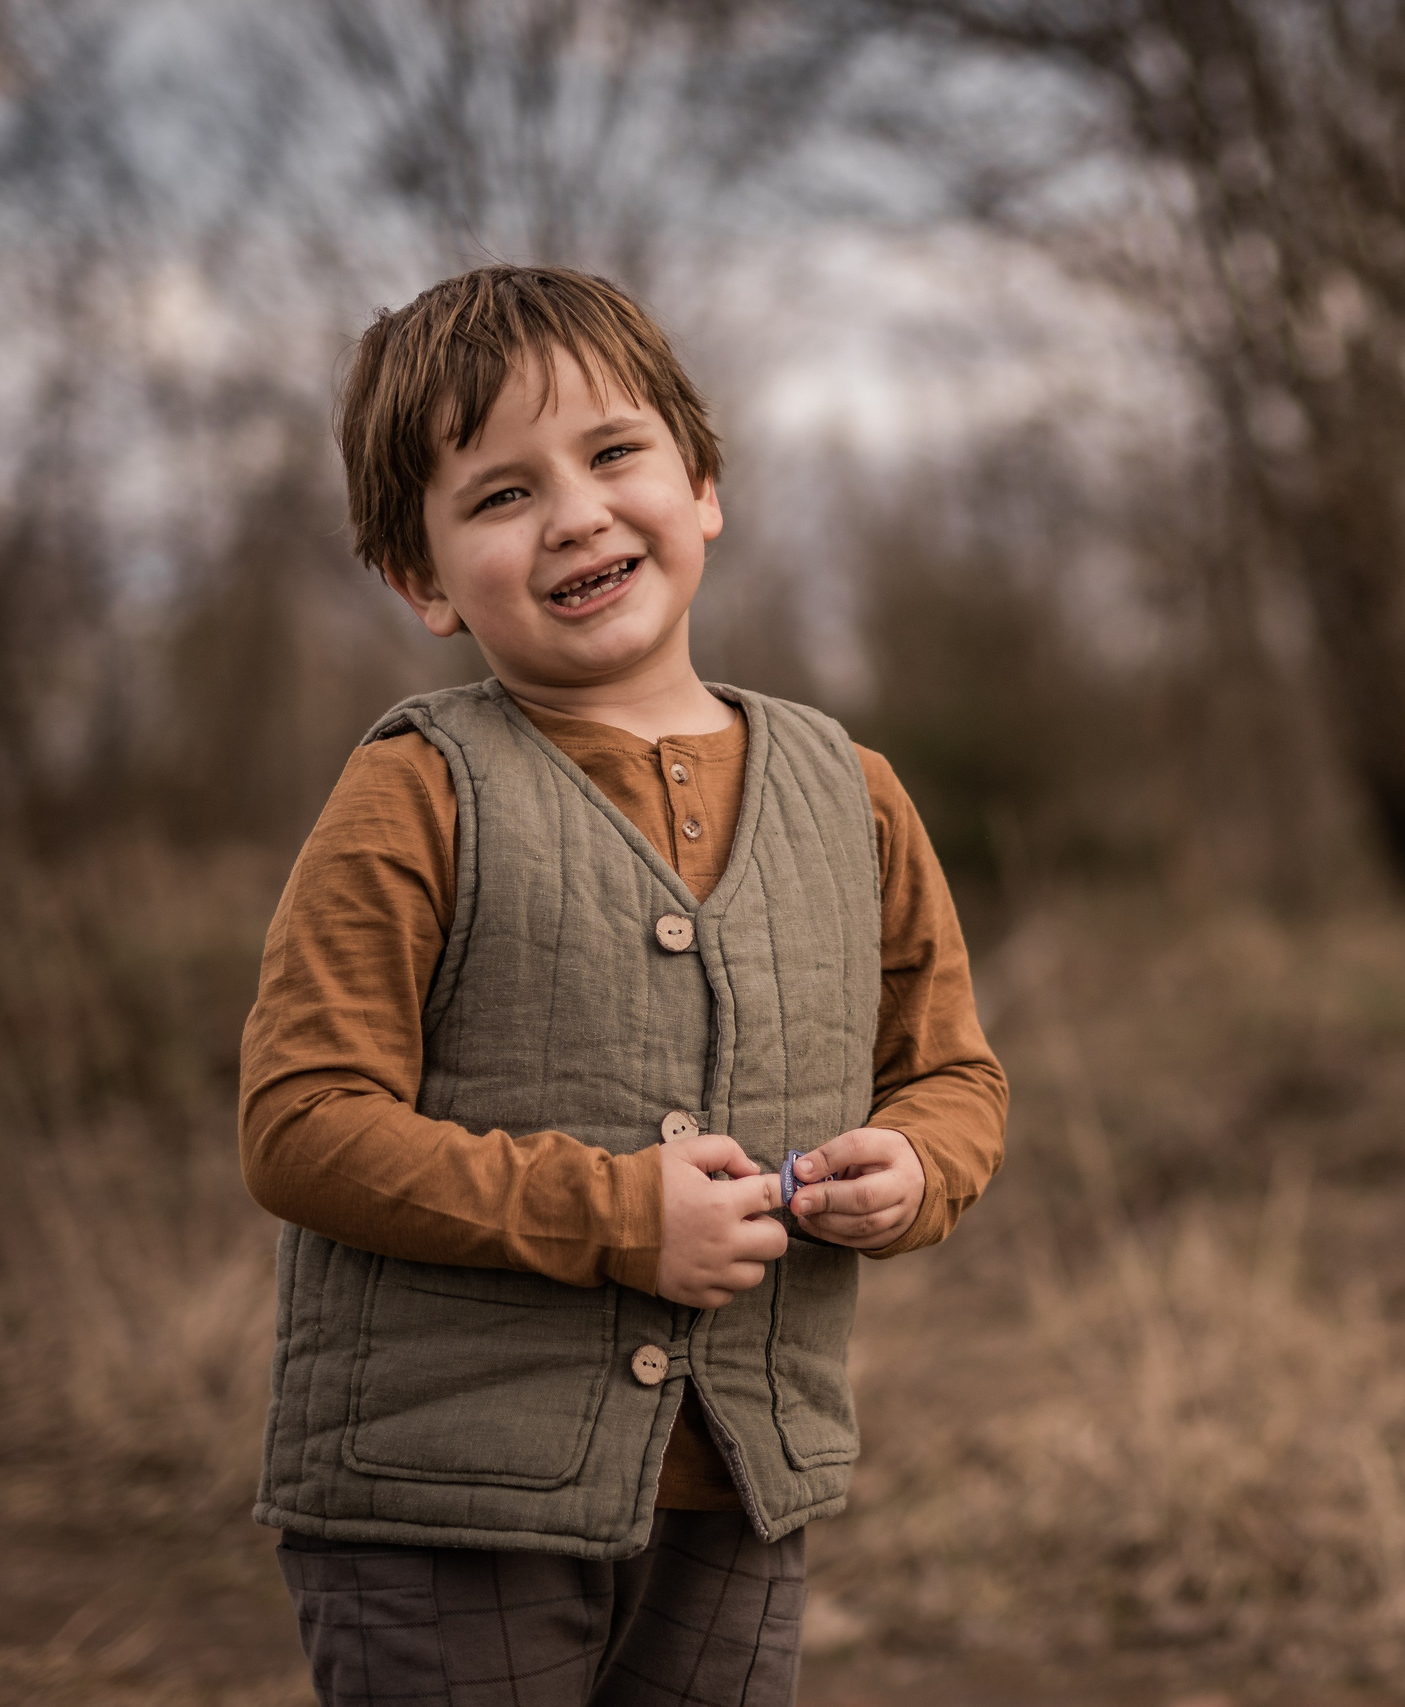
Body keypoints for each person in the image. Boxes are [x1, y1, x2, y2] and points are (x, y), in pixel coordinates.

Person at [239, 264, 1008, 1706]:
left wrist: (913, 1165)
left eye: (611, 453)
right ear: (421, 581)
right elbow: (302, 1120)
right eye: (499, 494)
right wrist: (617, 1214)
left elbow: (955, 1075)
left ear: (702, 481)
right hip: (440, 1500)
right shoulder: (413, 792)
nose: (576, 514)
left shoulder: (855, 794)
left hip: (739, 1486)